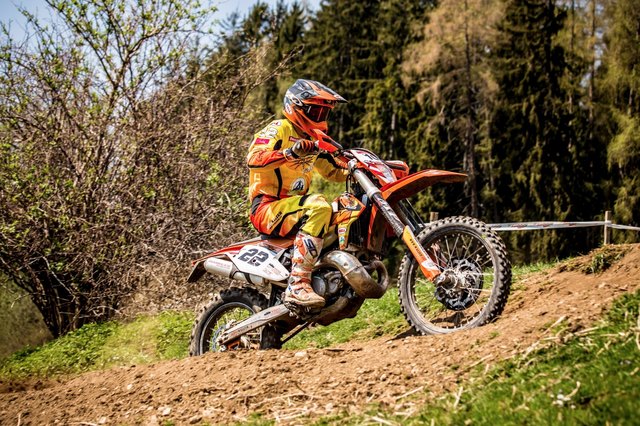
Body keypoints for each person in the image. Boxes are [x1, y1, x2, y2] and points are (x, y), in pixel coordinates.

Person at [247, 79, 347, 308]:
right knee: (319, 205)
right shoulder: (279, 128)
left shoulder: (314, 140)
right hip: (267, 208)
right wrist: (289, 152)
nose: (321, 116)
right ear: (296, 106)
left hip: (293, 208)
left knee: (346, 210)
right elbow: (253, 159)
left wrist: (361, 168)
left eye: (325, 112)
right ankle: (298, 284)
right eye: (316, 110)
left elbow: (332, 170)